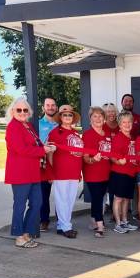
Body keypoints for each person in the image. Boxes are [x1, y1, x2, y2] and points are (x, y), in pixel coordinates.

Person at [5, 97, 51, 248]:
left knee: (37, 203)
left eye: (25, 110)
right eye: (19, 110)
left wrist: (44, 146)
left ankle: (26, 232)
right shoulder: (13, 127)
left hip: (33, 172)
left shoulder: (28, 126)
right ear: (13, 111)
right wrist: (42, 150)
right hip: (20, 173)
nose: (23, 112)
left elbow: (35, 144)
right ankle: (19, 236)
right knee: (20, 205)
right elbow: (21, 149)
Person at [47, 105, 83, 239]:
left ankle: (62, 225)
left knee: (70, 200)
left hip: (74, 172)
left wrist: (79, 172)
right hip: (60, 171)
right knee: (62, 200)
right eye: (64, 115)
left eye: (70, 115)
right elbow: (49, 153)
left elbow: (78, 153)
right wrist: (51, 171)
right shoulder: (55, 132)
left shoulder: (75, 133)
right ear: (60, 117)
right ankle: (66, 227)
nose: (67, 117)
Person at [82, 107, 111, 238]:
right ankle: (100, 226)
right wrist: (93, 159)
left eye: (100, 116)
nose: (98, 118)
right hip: (92, 173)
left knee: (98, 198)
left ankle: (93, 220)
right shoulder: (87, 135)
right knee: (98, 198)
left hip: (105, 172)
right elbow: (85, 157)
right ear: (90, 119)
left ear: (104, 119)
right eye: (95, 116)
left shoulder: (107, 134)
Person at [109, 111, 139, 234]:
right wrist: (118, 161)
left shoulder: (132, 138)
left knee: (127, 199)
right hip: (119, 173)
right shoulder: (117, 138)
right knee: (118, 199)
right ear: (120, 125)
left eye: (129, 122)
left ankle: (125, 221)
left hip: (130, 173)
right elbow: (112, 156)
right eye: (124, 122)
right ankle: (118, 224)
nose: (127, 124)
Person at [38, 97, 58, 232]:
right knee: (43, 194)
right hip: (44, 164)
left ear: (56, 107)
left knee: (61, 194)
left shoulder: (60, 124)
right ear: (43, 107)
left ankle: (61, 221)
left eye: (53, 105)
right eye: (48, 105)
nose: (50, 107)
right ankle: (44, 220)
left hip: (60, 163)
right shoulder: (37, 124)